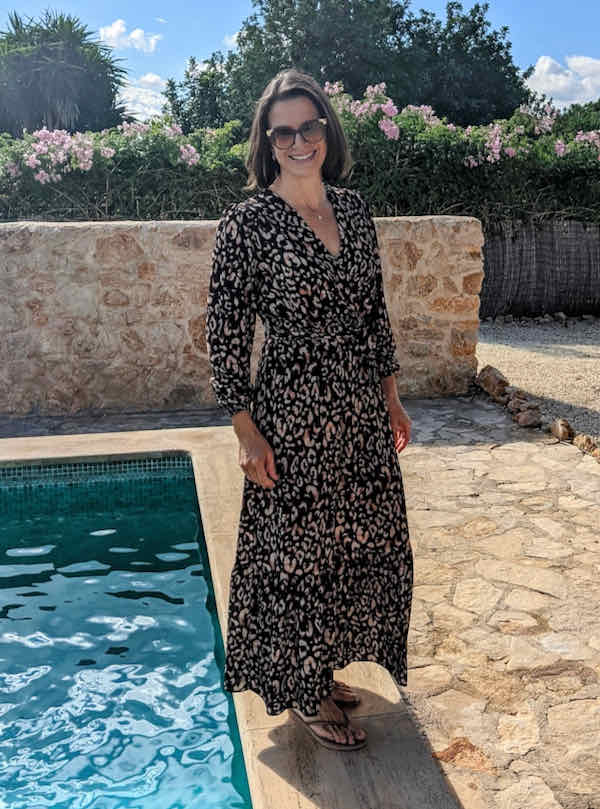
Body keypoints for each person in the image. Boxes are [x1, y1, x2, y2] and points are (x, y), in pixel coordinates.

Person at [205, 68, 413, 752]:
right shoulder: (248, 222)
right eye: (284, 132)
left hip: (357, 409)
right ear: (267, 142)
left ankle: (319, 665)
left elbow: (373, 313)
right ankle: (302, 688)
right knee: (297, 554)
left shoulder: (353, 210)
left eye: (309, 127)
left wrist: (390, 397)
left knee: (355, 541)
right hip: (292, 412)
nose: (299, 142)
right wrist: (245, 431)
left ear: (327, 130)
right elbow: (226, 333)